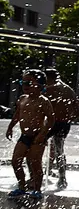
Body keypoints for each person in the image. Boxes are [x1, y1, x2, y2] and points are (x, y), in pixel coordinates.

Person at [5, 70, 55, 199]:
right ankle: (22, 187)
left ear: (39, 84)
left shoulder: (43, 101)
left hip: (37, 137)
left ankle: (37, 189)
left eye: (28, 82)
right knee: (16, 161)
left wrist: (42, 134)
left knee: (35, 163)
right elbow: (17, 115)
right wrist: (10, 127)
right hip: (25, 136)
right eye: (23, 82)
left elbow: (51, 119)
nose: (24, 85)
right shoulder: (23, 98)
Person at [44, 68, 78, 189]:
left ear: (48, 78)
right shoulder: (69, 89)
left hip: (52, 122)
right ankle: (62, 178)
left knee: (34, 145)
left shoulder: (49, 88)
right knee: (59, 150)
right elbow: (74, 109)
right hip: (64, 123)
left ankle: (33, 177)